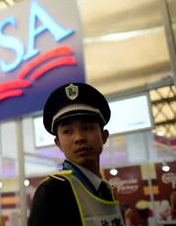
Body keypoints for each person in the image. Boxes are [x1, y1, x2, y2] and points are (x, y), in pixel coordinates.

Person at [29, 82, 123, 226]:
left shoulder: (106, 189)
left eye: (87, 127)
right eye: (68, 131)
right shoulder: (52, 191)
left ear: (104, 136)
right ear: (58, 143)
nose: (79, 137)